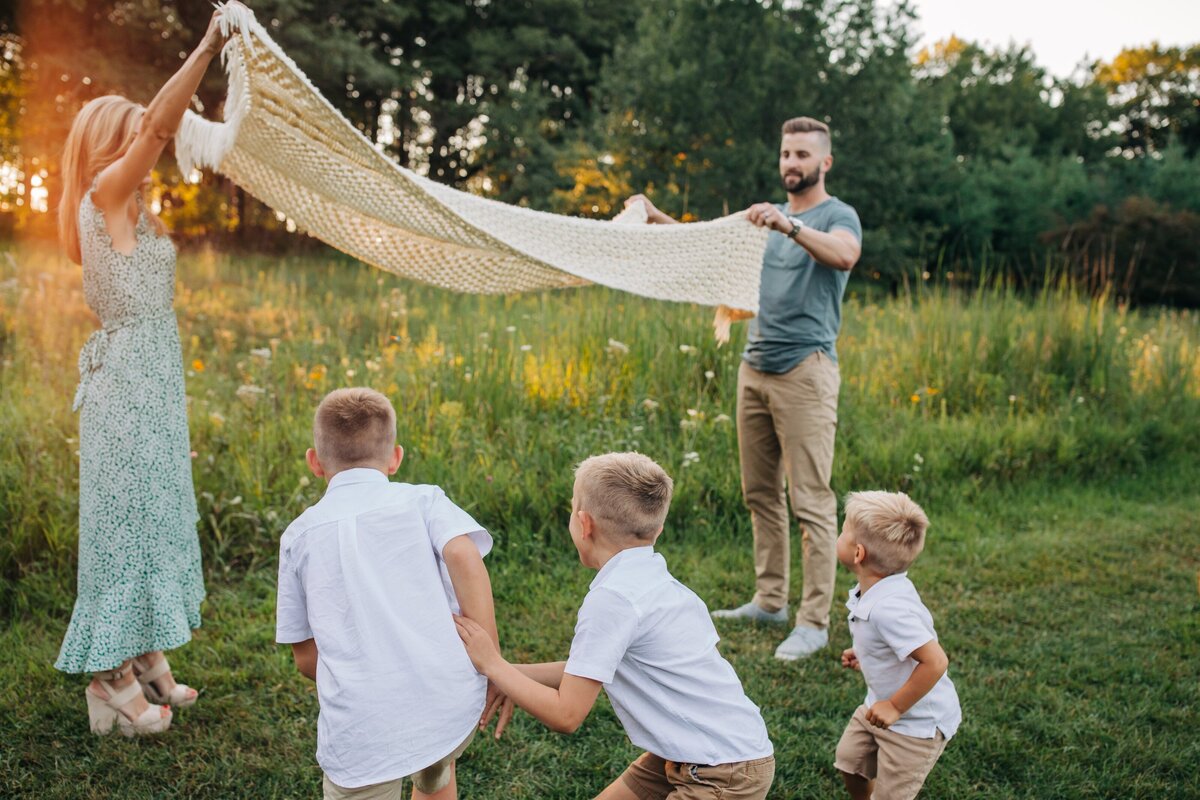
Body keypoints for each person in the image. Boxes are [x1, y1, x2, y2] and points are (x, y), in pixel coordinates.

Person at [55, 3, 244, 736]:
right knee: (123, 529)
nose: (147, 141)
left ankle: (148, 658)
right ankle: (108, 683)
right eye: (130, 133)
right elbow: (161, 126)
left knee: (153, 516)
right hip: (130, 384)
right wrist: (205, 45)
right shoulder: (103, 196)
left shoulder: (128, 208)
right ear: (110, 146)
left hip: (150, 381)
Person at [628, 116, 863, 661]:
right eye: (786, 154)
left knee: (811, 501)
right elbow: (705, 246)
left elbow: (845, 254)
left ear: (824, 163)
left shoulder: (834, 216)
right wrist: (654, 215)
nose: (791, 164)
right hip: (753, 368)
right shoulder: (761, 219)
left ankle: (813, 622)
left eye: (803, 155)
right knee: (760, 494)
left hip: (806, 371)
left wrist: (789, 227)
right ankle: (770, 599)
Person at [455, 452, 775, 800]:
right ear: (659, 528)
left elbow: (567, 714)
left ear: (584, 523)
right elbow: (588, 670)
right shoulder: (650, 577)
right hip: (696, 752)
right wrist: (513, 676)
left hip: (720, 772)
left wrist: (494, 665)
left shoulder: (614, 599)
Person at [276, 388, 506, 800]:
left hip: (362, 734)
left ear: (315, 462)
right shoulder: (423, 500)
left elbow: (306, 659)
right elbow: (463, 552)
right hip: (445, 706)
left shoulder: (300, 536)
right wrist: (491, 658)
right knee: (436, 766)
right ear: (395, 457)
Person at [833, 491, 961, 800]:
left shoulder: (888, 609)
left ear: (858, 553)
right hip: (877, 705)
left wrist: (894, 706)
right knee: (850, 762)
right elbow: (894, 644)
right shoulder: (881, 588)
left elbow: (935, 661)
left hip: (915, 723)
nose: (839, 535)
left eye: (843, 531)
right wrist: (869, 655)